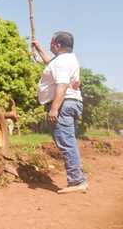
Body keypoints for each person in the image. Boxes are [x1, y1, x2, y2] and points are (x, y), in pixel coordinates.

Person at [32, 32, 88, 194]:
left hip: (63, 104)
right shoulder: (67, 58)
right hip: (71, 103)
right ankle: (78, 177)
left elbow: (61, 85)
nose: (49, 45)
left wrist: (54, 109)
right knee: (67, 140)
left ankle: (77, 181)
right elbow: (50, 62)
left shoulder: (62, 62)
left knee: (66, 142)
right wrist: (39, 49)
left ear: (57, 45)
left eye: (50, 42)